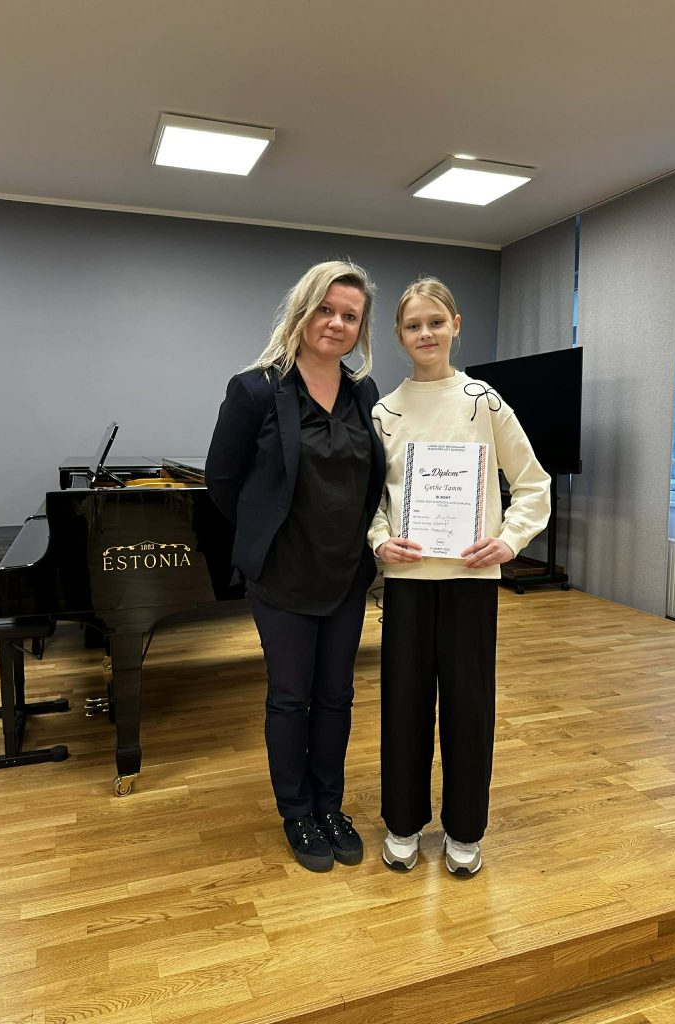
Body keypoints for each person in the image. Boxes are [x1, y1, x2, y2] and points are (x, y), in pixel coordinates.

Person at [205, 260, 385, 872]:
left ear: (360, 329)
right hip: (282, 576)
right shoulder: (256, 389)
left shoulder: (364, 393)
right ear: (302, 311)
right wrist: (268, 533)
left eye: (349, 316)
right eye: (325, 309)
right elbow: (222, 481)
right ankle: (297, 811)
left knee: (336, 696)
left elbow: (372, 479)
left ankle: (330, 806)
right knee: (290, 697)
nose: (336, 323)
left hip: (346, 573)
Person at [367, 277, 550, 876]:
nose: (426, 333)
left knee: (469, 707)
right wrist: (379, 540)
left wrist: (509, 540)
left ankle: (465, 828)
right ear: (399, 335)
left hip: (472, 582)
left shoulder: (483, 402)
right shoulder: (384, 412)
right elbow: (370, 501)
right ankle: (402, 822)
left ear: (456, 326)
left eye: (436, 322)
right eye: (413, 325)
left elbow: (533, 484)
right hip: (407, 583)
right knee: (404, 705)